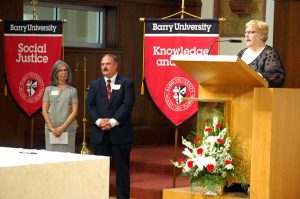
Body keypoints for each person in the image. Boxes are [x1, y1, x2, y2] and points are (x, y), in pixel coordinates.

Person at [86, 54, 135, 199]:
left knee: (122, 171)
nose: (104, 67)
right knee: (99, 171)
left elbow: (128, 105)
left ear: (115, 65)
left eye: (108, 64)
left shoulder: (127, 83)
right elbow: (90, 105)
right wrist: (99, 121)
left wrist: (112, 122)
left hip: (120, 134)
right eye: (102, 64)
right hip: (99, 135)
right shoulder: (95, 84)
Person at [42, 60, 78, 153]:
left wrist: (62, 128)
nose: (63, 72)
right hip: (51, 130)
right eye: (60, 70)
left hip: (68, 129)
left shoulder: (72, 91)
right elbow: (44, 111)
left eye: (65, 70)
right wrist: (51, 127)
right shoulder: (48, 90)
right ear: (55, 73)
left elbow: (74, 112)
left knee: (67, 158)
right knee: (51, 159)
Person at [238, 20, 285, 88]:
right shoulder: (242, 53)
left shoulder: (269, 53)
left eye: (252, 32)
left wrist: (259, 75)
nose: (247, 35)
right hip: (239, 93)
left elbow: (277, 77)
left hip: (261, 95)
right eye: (246, 32)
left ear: (262, 35)